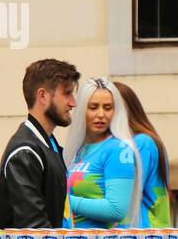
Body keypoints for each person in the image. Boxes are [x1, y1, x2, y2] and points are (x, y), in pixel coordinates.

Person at [0, 59, 79, 229]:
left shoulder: (47, 143)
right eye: (67, 93)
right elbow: (35, 229)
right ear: (43, 96)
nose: (73, 102)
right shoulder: (25, 152)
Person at [61, 77, 142, 230]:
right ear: (81, 110)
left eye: (107, 107)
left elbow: (116, 209)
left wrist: (65, 201)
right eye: (93, 107)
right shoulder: (79, 149)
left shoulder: (119, 149)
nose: (101, 114)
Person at [114, 82, 172, 228]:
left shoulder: (141, 143)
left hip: (144, 237)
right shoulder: (139, 141)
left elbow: (123, 194)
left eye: (108, 108)